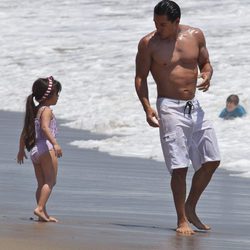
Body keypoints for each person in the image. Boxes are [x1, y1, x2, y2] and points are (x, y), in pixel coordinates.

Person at [135, 0, 220, 234]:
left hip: (194, 105)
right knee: (179, 166)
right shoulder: (148, 44)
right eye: (155, 22)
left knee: (212, 159)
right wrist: (146, 107)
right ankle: (181, 220)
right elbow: (140, 78)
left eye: (162, 24)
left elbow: (205, 63)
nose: (157, 28)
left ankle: (190, 206)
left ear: (176, 22)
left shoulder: (195, 35)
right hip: (169, 107)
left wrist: (207, 74)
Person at [17, 76, 62, 222]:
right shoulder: (47, 110)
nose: (58, 97)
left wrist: (21, 150)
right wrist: (55, 143)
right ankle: (40, 208)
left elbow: (25, 131)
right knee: (50, 181)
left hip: (35, 151)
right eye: (57, 94)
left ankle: (43, 213)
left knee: (41, 183)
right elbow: (44, 127)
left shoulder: (35, 110)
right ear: (48, 96)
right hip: (46, 148)